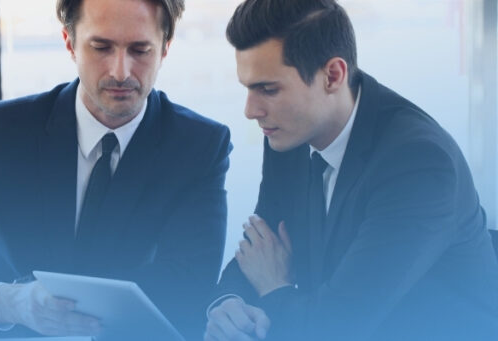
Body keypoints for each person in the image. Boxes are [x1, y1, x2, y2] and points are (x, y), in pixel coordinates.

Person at [0, 0, 231, 338]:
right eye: (101, 47)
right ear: (70, 43)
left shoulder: (200, 146)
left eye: (140, 50)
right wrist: (11, 302)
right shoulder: (1, 131)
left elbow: (190, 289)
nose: (121, 72)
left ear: (165, 47)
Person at [204, 0, 498, 340]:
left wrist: (273, 289)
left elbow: (338, 326)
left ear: (333, 76)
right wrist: (228, 304)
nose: (251, 110)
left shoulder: (418, 164)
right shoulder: (290, 133)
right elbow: (260, 247)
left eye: (268, 89)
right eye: (248, 87)